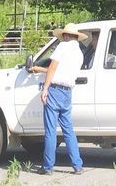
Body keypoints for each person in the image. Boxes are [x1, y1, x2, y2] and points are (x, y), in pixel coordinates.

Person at [37, 23, 86, 175]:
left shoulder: (62, 47)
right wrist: (41, 70)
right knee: (68, 130)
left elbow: (53, 68)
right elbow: (62, 70)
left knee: (51, 130)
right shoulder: (79, 53)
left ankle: (48, 166)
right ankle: (77, 165)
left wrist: (45, 88)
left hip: (55, 89)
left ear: (65, 35)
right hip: (67, 92)